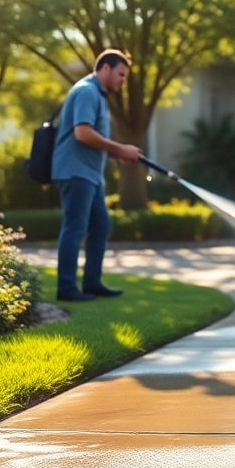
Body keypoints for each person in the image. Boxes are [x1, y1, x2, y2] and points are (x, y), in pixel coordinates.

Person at [53, 49, 144, 301]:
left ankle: (92, 282)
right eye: (121, 74)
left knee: (101, 224)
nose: (123, 81)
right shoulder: (86, 91)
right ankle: (66, 287)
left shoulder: (97, 95)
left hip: (89, 174)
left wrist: (118, 154)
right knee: (75, 227)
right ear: (105, 67)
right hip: (75, 172)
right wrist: (120, 148)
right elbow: (82, 133)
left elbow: (92, 139)